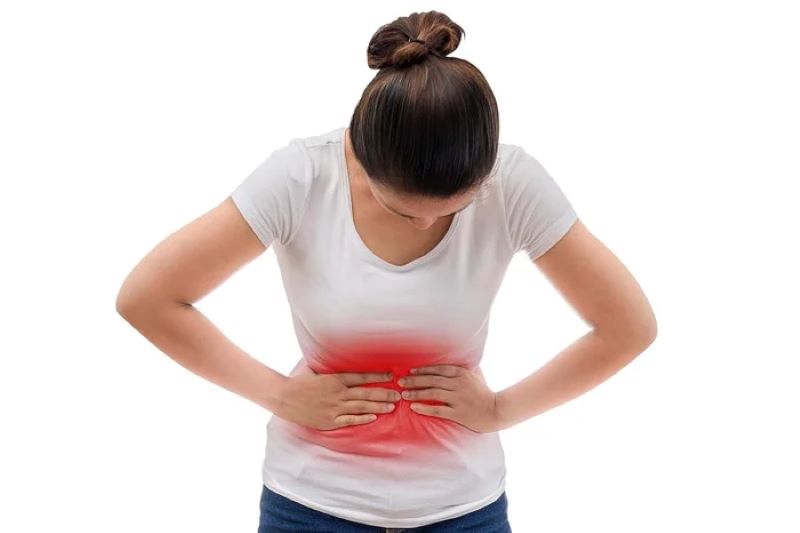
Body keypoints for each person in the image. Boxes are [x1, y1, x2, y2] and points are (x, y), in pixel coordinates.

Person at [116, 9, 657, 533]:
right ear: (360, 158)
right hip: (309, 508)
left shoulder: (513, 183)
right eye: (403, 209)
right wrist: (280, 396)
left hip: (464, 511)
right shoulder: (301, 178)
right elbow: (148, 297)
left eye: (452, 208)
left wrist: (499, 409)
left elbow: (628, 326)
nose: (426, 223)